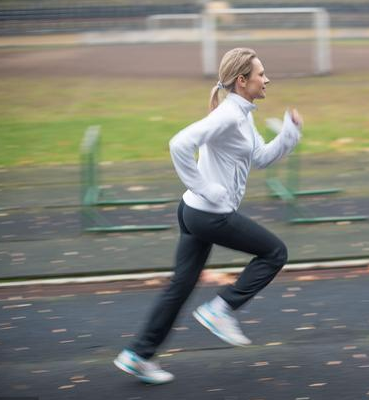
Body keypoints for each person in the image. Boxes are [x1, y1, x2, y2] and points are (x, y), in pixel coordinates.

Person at [113, 47, 303, 384]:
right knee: (275, 253)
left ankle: (138, 354)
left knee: (180, 287)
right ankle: (221, 309)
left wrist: (288, 134)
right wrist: (205, 187)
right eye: (261, 74)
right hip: (208, 213)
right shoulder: (229, 115)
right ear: (242, 80)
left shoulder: (242, 114)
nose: (267, 79)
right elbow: (179, 144)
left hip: (192, 212)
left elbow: (258, 157)